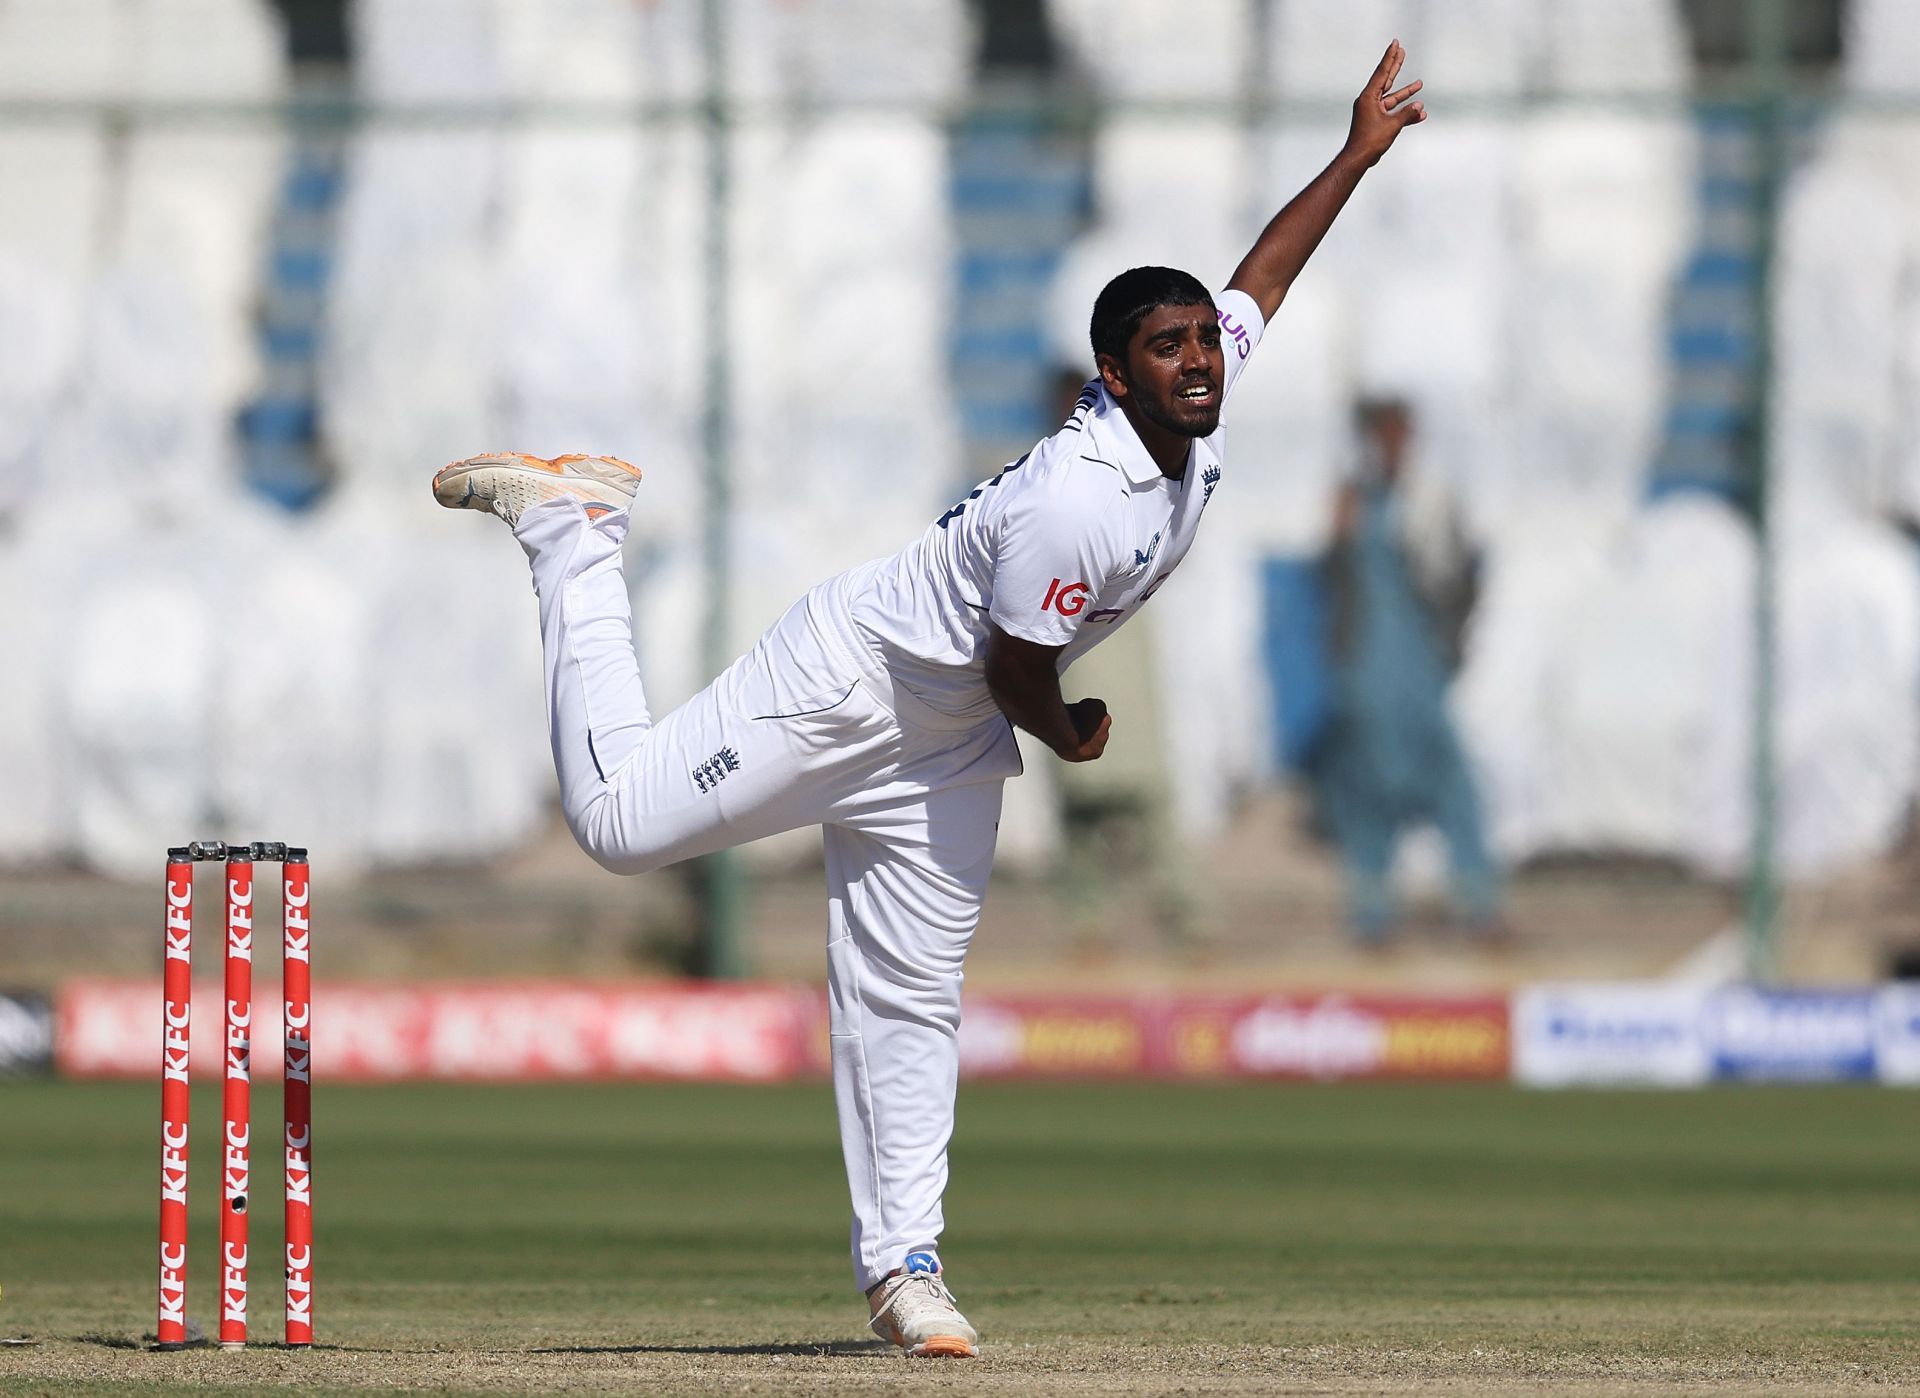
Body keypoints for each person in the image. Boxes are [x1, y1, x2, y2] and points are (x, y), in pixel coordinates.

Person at [431, 43, 1425, 1359]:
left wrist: (1355, 152)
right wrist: (1070, 732)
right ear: (1113, 377)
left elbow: (1265, 273)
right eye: (1168, 347)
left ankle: (906, 1271)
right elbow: (1021, 669)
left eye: (1201, 343)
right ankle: (573, 530)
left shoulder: (1201, 402)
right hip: (851, 685)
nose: (1201, 359)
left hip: (946, 746)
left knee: (909, 1002)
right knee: (615, 821)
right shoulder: (1077, 498)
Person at [1315, 397, 1502, 944]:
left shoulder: (1431, 498)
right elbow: (1335, 585)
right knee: (1371, 788)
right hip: (1369, 669)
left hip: (1420, 667)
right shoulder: (1354, 500)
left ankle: (1478, 901)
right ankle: (1371, 914)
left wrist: (1452, 647)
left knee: (1452, 781)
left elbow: (1465, 575)